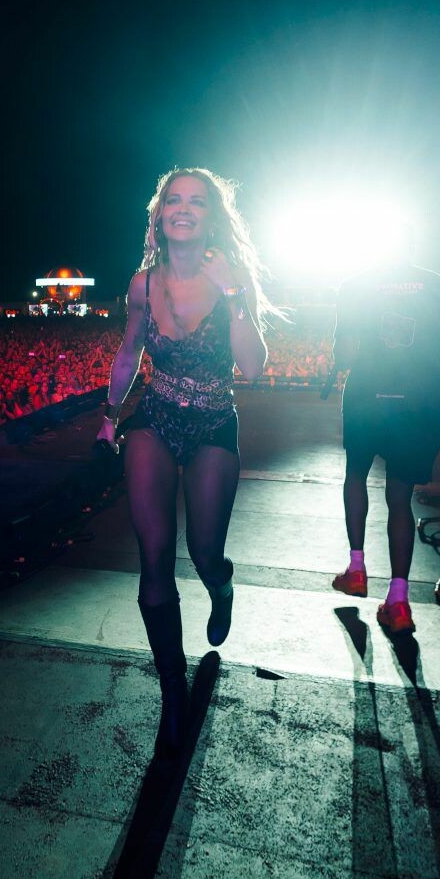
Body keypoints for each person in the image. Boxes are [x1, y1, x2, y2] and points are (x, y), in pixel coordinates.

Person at [97, 167, 273, 758]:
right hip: (155, 417)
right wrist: (110, 414)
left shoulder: (233, 278)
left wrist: (234, 297)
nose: (184, 208)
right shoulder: (142, 285)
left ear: (211, 218)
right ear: (159, 215)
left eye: (197, 201)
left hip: (214, 422)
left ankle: (221, 586)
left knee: (203, 550)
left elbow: (253, 367)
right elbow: (129, 352)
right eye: (174, 199)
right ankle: (172, 693)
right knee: (153, 557)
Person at [329, 231, 440, 634]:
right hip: (417, 406)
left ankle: (356, 569)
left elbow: (345, 354)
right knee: (400, 499)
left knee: (355, 476)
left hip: (366, 400)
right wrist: (432, 359)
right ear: (413, 249)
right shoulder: (439, 285)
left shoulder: (356, 285)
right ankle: (398, 602)